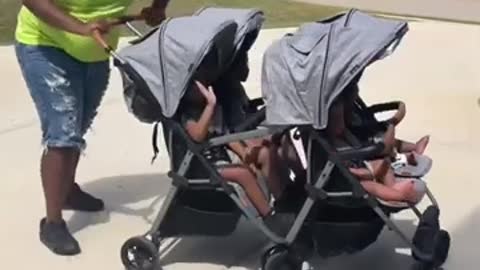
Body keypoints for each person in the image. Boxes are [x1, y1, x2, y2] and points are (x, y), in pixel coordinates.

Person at [15, 0, 170, 256]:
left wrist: (158, 8)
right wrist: (81, 27)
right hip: (44, 44)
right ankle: (52, 222)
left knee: (78, 126)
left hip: (95, 51)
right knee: (63, 133)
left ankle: (67, 191)